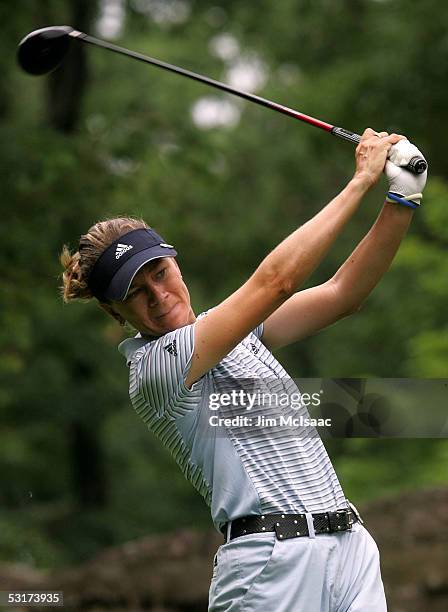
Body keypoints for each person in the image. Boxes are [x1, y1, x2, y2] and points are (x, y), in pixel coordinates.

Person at [60, 128, 427, 611]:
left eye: (160, 273)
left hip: (350, 549)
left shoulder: (233, 332)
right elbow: (275, 282)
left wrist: (402, 198)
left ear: (175, 263)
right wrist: (359, 181)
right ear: (114, 312)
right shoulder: (155, 369)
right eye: (135, 293)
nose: (159, 295)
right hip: (271, 566)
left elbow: (343, 295)